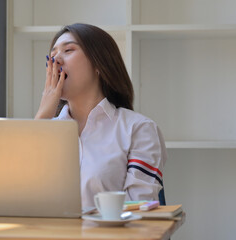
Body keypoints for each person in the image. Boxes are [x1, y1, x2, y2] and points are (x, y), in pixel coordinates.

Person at [35, 23, 167, 208]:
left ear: (99, 64)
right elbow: (23, 199)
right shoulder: (44, 131)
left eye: (68, 50)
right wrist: (42, 115)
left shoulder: (138, 129)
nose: (56, 59)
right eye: (53, 52)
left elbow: (138, 212)